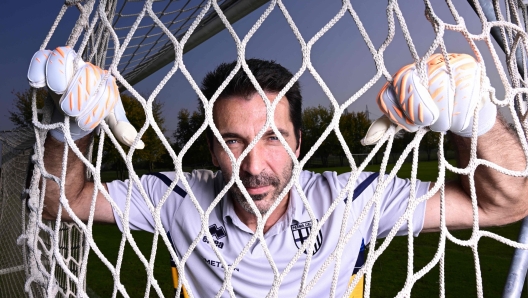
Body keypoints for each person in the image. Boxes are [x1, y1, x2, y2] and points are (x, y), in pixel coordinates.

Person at [30, 47, 527, 297]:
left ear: (298, 143)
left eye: (273, 138)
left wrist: (476, 122)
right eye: (233, 141)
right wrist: (71, 130)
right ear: (210, 149)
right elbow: (59, 202)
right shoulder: (180, 196)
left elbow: (508, 203)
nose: (255, 166)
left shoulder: (349, 199)